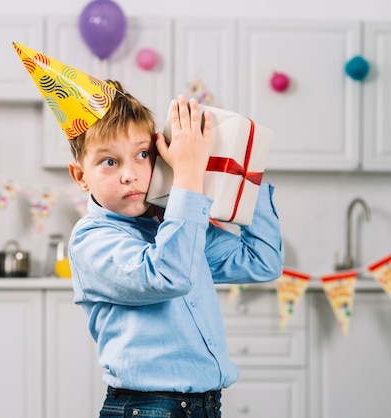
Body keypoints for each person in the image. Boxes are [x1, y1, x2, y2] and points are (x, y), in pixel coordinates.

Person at [66, 80, 283, 418]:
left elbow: (262, 262)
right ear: (80, 176)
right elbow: (167, 275)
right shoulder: (92, 238)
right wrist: (187, 179)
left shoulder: (174, 224)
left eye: (143, 155)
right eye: (110, 162)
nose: (130, 175)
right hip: (149, 408)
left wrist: (241, 174)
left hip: (206, 406)